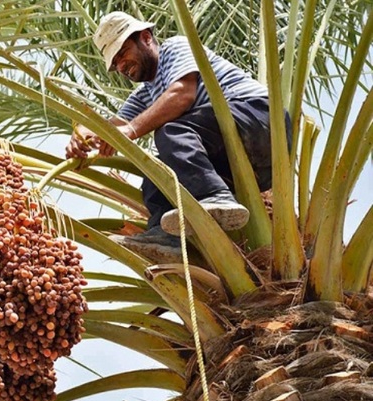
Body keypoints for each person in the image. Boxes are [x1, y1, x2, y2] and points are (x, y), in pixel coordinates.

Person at [66, 11, 290, 262]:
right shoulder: (144, 95)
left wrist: (130, 131)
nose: (120, 66)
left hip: (262, 122)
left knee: (171, 131)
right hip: (251, 168)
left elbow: (182, 95)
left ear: (146, 37)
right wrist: (85, 132)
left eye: (122, 53)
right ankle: (165, 235)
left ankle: (216, 197)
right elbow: (112, 126)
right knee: (156, 175)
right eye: (114, 63)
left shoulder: (176, 47)